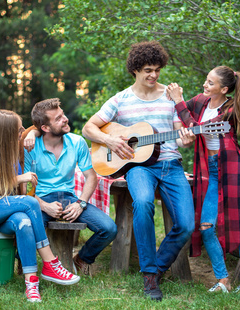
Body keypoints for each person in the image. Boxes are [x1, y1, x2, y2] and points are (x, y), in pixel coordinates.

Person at [81, 41, 196, 301]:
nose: (153, 75)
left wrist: (185, 139)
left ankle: (157, 266)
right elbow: (90, 128)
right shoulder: (121, 99)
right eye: (147, 70)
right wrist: (110, 141)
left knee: (187, 225)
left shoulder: (170, 95)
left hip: (170, 164)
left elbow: (179, 136)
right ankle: (149, 276)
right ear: (135, 70)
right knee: (142, 203)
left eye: (157, 69)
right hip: (139, 166)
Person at [0, 109, 80, 304]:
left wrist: (33, 134)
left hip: (9, 208)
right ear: (7, 134)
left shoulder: (17, 142)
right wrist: (19, 178)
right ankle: (50, 262)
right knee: (30, 202)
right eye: (19, 131)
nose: (22, 132)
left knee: (23, 222)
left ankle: (31, 283)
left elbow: (38, 127)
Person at [166, 66, 240, 294]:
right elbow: (183, 116)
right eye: (206, 80)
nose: (205, 85)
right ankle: (223, 281)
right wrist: (172, 96)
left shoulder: (231, 108)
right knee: (206, 227)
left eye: (210, 83)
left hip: (233, 167)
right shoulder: (201, 101)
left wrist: (179, 102)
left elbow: (197, 127)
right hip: (213, 170)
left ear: (224, 89)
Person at [22, 98, 117, 276]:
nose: (65, 119)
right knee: (27, 228)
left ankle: (81, 260)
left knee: (109, 228)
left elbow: (91, 177)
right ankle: (36, 268)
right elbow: (23, 189)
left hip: (70, 198)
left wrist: (80, 203)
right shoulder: (30, 148)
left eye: (63, 114)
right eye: (58, 118)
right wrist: (44, 206)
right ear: (45, 128)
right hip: (40, 200)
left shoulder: (77, 142)